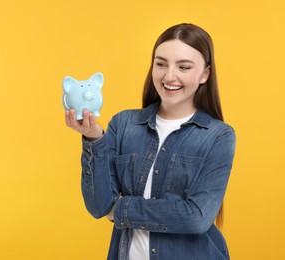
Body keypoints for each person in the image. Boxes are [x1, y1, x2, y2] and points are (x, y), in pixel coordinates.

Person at [65, 23, 236, 260]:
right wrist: (94, 138)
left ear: (205, 74)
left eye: (184, 67)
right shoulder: (123, 124)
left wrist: (122, 209)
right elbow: (99, 206)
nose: (169, 76)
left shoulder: (218, 136)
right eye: (161, 64)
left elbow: (197, 218)